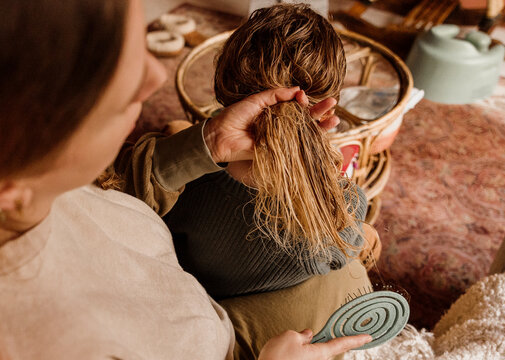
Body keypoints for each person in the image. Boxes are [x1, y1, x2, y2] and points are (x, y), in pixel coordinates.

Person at [0, 0, 371, 359]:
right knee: (362, 249)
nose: (156, 76)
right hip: (234, 339)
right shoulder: (42, 342)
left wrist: (205, 144)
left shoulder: (52, 194)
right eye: (112, 84)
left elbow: (118, 191)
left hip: (205, 304)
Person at [163, 4, 368, 300]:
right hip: (275, 316)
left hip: (200, 297)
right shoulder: (345, 206)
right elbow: (339, 258)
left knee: (174, 127)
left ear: (223, 88)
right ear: (329, 103)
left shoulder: (182, 185)